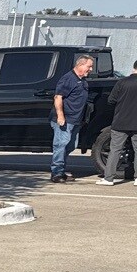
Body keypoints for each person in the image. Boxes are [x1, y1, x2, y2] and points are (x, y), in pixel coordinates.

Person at [50, 53, 96, 183]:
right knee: (61, 144)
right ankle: (57, 173)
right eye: (89, 66)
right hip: (65, 119)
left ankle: (62, 170)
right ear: (80, 65)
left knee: (71, 146)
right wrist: (60, 116)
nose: (91, 69)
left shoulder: (82, 80)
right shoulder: (68, 79)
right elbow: (58, 97)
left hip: (76, 120)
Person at [99, 60, 137, 185]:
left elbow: (111, 100)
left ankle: (108, 178)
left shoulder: (122, 82)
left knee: (115, 149)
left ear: (134, 68)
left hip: (121, 121)